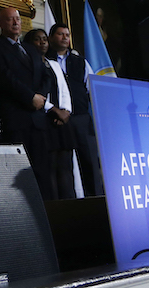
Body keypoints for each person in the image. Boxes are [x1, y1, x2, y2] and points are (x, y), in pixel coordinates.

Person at [0, 7, 55, 197]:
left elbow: (47, 75)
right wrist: (30, 97)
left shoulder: (31, 48)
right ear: (1, 24)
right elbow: (4, 78)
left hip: (38, 118)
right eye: (10, 20)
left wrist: (40, 96)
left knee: (43, 172)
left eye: (17, 19)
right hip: (16, 118)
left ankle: (50, 215)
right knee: (20, 175)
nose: (16, 23)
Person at [47, 23, 100, 196]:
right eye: (60, 34)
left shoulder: (80, 61)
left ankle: (96, 200)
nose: (64, 37)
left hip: (81, 118)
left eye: (67, 35)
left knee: (89, 162)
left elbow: (92, 88)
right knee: (63, 166)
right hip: (57, 120)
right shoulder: (45, 60)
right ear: (51, 37)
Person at [28, 28, 75, 200]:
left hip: (62, 122)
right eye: (37, 39)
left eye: (44, 39)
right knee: (51, 170)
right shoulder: (30, 65)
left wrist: (66, 112)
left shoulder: (53, 64)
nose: (42, 43)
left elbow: (64, 90)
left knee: (66, 169)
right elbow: (36, 94)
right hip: (46, 120)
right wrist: (53, 110)